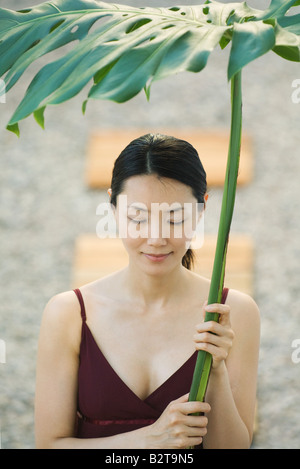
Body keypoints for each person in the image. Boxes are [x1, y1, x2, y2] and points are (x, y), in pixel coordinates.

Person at [35, 133, 260, 449]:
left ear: (201, 209)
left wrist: (217, 371)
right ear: (113, 207)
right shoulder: (69, 313)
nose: (156, 238)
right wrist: (147, 440)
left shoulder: (232, 312)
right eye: (138, 217)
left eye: (174, 218)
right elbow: (48, 445)